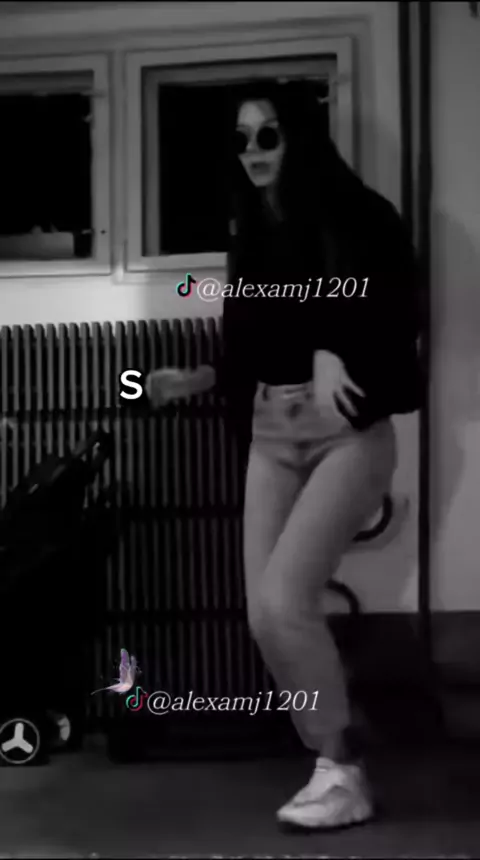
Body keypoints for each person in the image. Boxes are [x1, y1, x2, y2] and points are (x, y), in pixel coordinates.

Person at [145, 80, 422, 831]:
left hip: (346, 432)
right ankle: (335, 759)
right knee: (265, 616)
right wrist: (197, 378)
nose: (253, 151)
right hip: (272, 428)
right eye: (240, 139)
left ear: (298, 136)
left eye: (267, 134)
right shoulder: (252, 232)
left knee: (282, 600)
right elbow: (251, 343)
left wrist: (340, 349)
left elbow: (397, 311)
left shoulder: (361, 215)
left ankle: (342, 770)